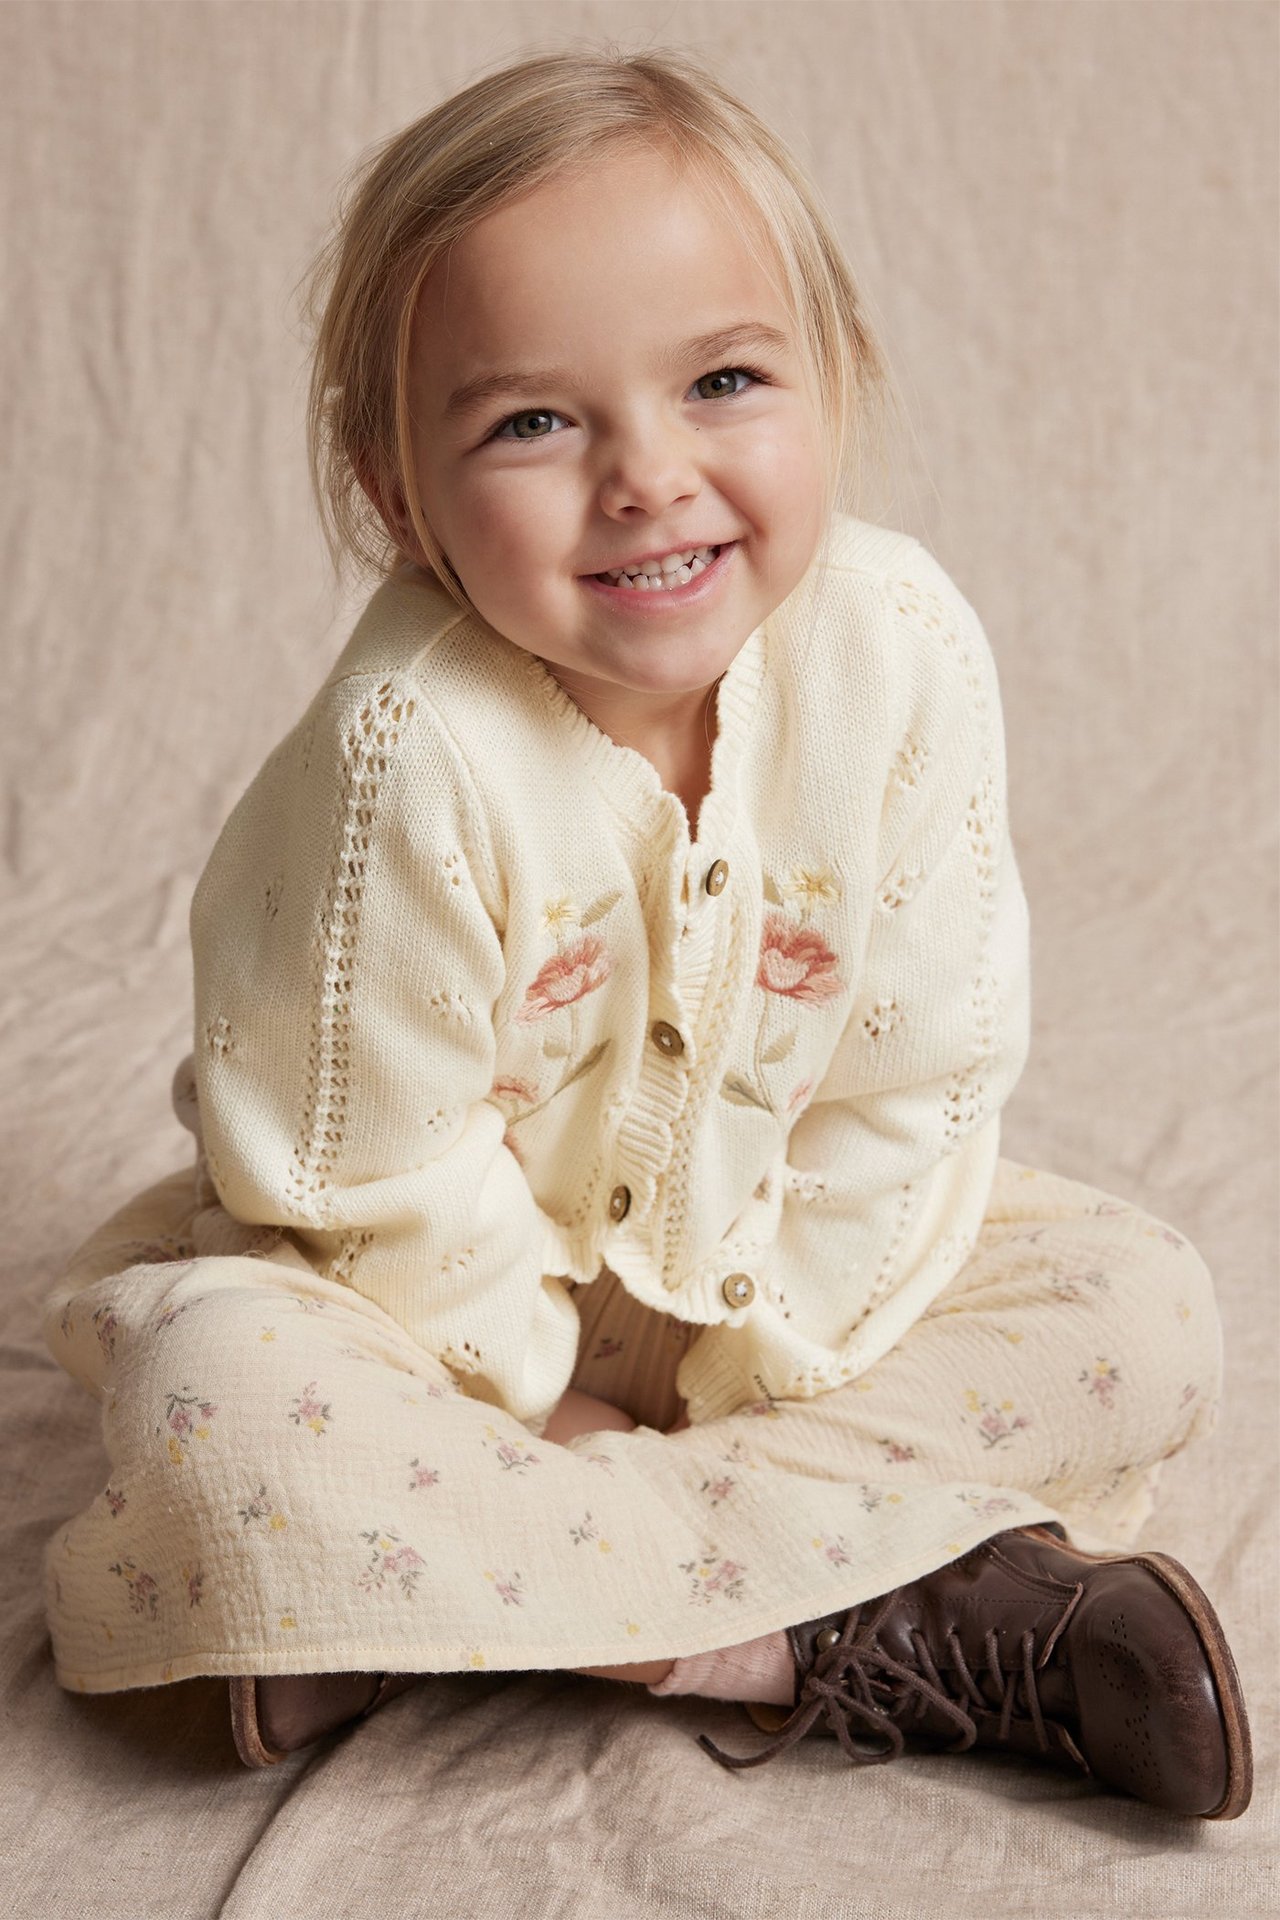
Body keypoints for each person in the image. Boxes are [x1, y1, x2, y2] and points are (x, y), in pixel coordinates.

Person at [42, 45, 1251, 1819]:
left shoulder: (898, 656)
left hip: (802, 1273)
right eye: (534, 421)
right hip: (436, 1314)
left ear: (833, 385)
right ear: (395, 489)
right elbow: (364, 1174)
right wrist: (540, 1403)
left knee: (1143, 1311)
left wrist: (772, 1378)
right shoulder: (414, 754)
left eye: (725, 381)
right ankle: (867, 1624)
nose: (647, 476)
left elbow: (915, 1074)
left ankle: (478, 1599)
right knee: (219, 1410)